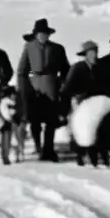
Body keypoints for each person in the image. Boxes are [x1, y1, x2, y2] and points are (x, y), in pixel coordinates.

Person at [15, 18, 70, 162]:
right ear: (36, 34)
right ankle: (38, 146)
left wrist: (63, 85)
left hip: (51, 87)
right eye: (40, 33)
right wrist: (23, 89)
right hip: (34, 87)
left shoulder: (57, 49)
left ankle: (49, 150)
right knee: (35, 120)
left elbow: (66, 70)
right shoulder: (29, 47)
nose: (43, 36)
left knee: (51, 121)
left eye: (45, 33)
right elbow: (21, 71)